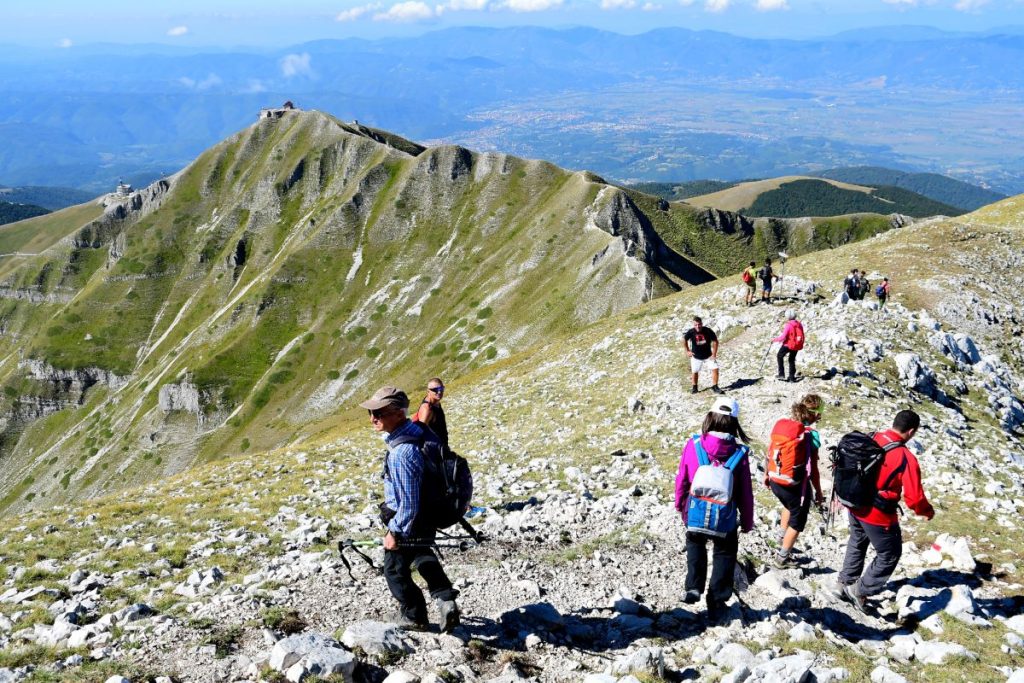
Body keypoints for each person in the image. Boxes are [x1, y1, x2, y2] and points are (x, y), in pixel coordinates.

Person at [360, 386, 461, 632]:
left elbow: (409, 503)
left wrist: (393, 532)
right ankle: (446, 598)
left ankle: (414, 615)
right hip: (429, 511)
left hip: (409, 518)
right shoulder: (419, 430)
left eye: (380, 413)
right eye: (371, 413)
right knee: (421, 551)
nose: (373, 418)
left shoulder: (402, 454)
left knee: (394, 570)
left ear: (397, 413)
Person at [836, 409, 935, 612]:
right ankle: (859, 590)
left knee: (857, 540)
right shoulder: (905, 457)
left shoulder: (870, 437)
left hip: (855, 504)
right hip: (878, 514)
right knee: (890, 553)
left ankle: (844, 582)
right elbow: (914, 498)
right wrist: (927, 512)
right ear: (911, 432)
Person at [674, 396, 755, 621]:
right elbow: (744, 493)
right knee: (725, 552)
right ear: (734, 424)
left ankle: (693, 587)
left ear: (709, 418)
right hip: (725, 518)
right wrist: (747, 521)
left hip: (696, 513)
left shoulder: (694, 444)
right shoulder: (740, 453)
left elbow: (682, 478)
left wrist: (681, 506)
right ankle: (717, 599)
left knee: (695, 543)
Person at [767, 394, 825, 568]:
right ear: (814, 414)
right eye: (820, 411)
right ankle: (782, 558)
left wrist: (766, 476)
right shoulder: (810, 436)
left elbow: (770, 450)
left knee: (788, 506)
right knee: (798, 522)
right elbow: (813, 470)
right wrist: (819, 492)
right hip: (795, 485)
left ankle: (780, 538)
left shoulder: (785, 426)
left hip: (776, 479)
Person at [684, 316, 722, 395]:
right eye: (696, 325)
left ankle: (715, 386)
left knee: (715, 368)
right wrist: (687, 351)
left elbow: (715, 341)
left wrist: (714, 354)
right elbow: (684, 340)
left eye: (699, 324)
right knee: (695, 371)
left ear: (702, 324)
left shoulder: (707, 331)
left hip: (708, 355)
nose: (698, 326)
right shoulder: (691, 332)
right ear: (693, 325)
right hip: (696, 356)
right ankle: (694, 388)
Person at [413, 377, 448, 447]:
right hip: (434, 451)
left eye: (441, 388)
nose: (439, 392)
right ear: (428, 391)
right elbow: (420, 433)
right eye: (435, 390)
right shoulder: (427, 409)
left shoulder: (436, 402)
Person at [773, 309, 804, 382]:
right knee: (791, 360)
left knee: (779, 356)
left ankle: (781, 374)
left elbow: (783, 337)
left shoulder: (788, 325)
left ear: (787, 316)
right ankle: (791, 378)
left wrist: (774, 340)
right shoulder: (799, 324)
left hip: (788, 345)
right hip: (796, 345)